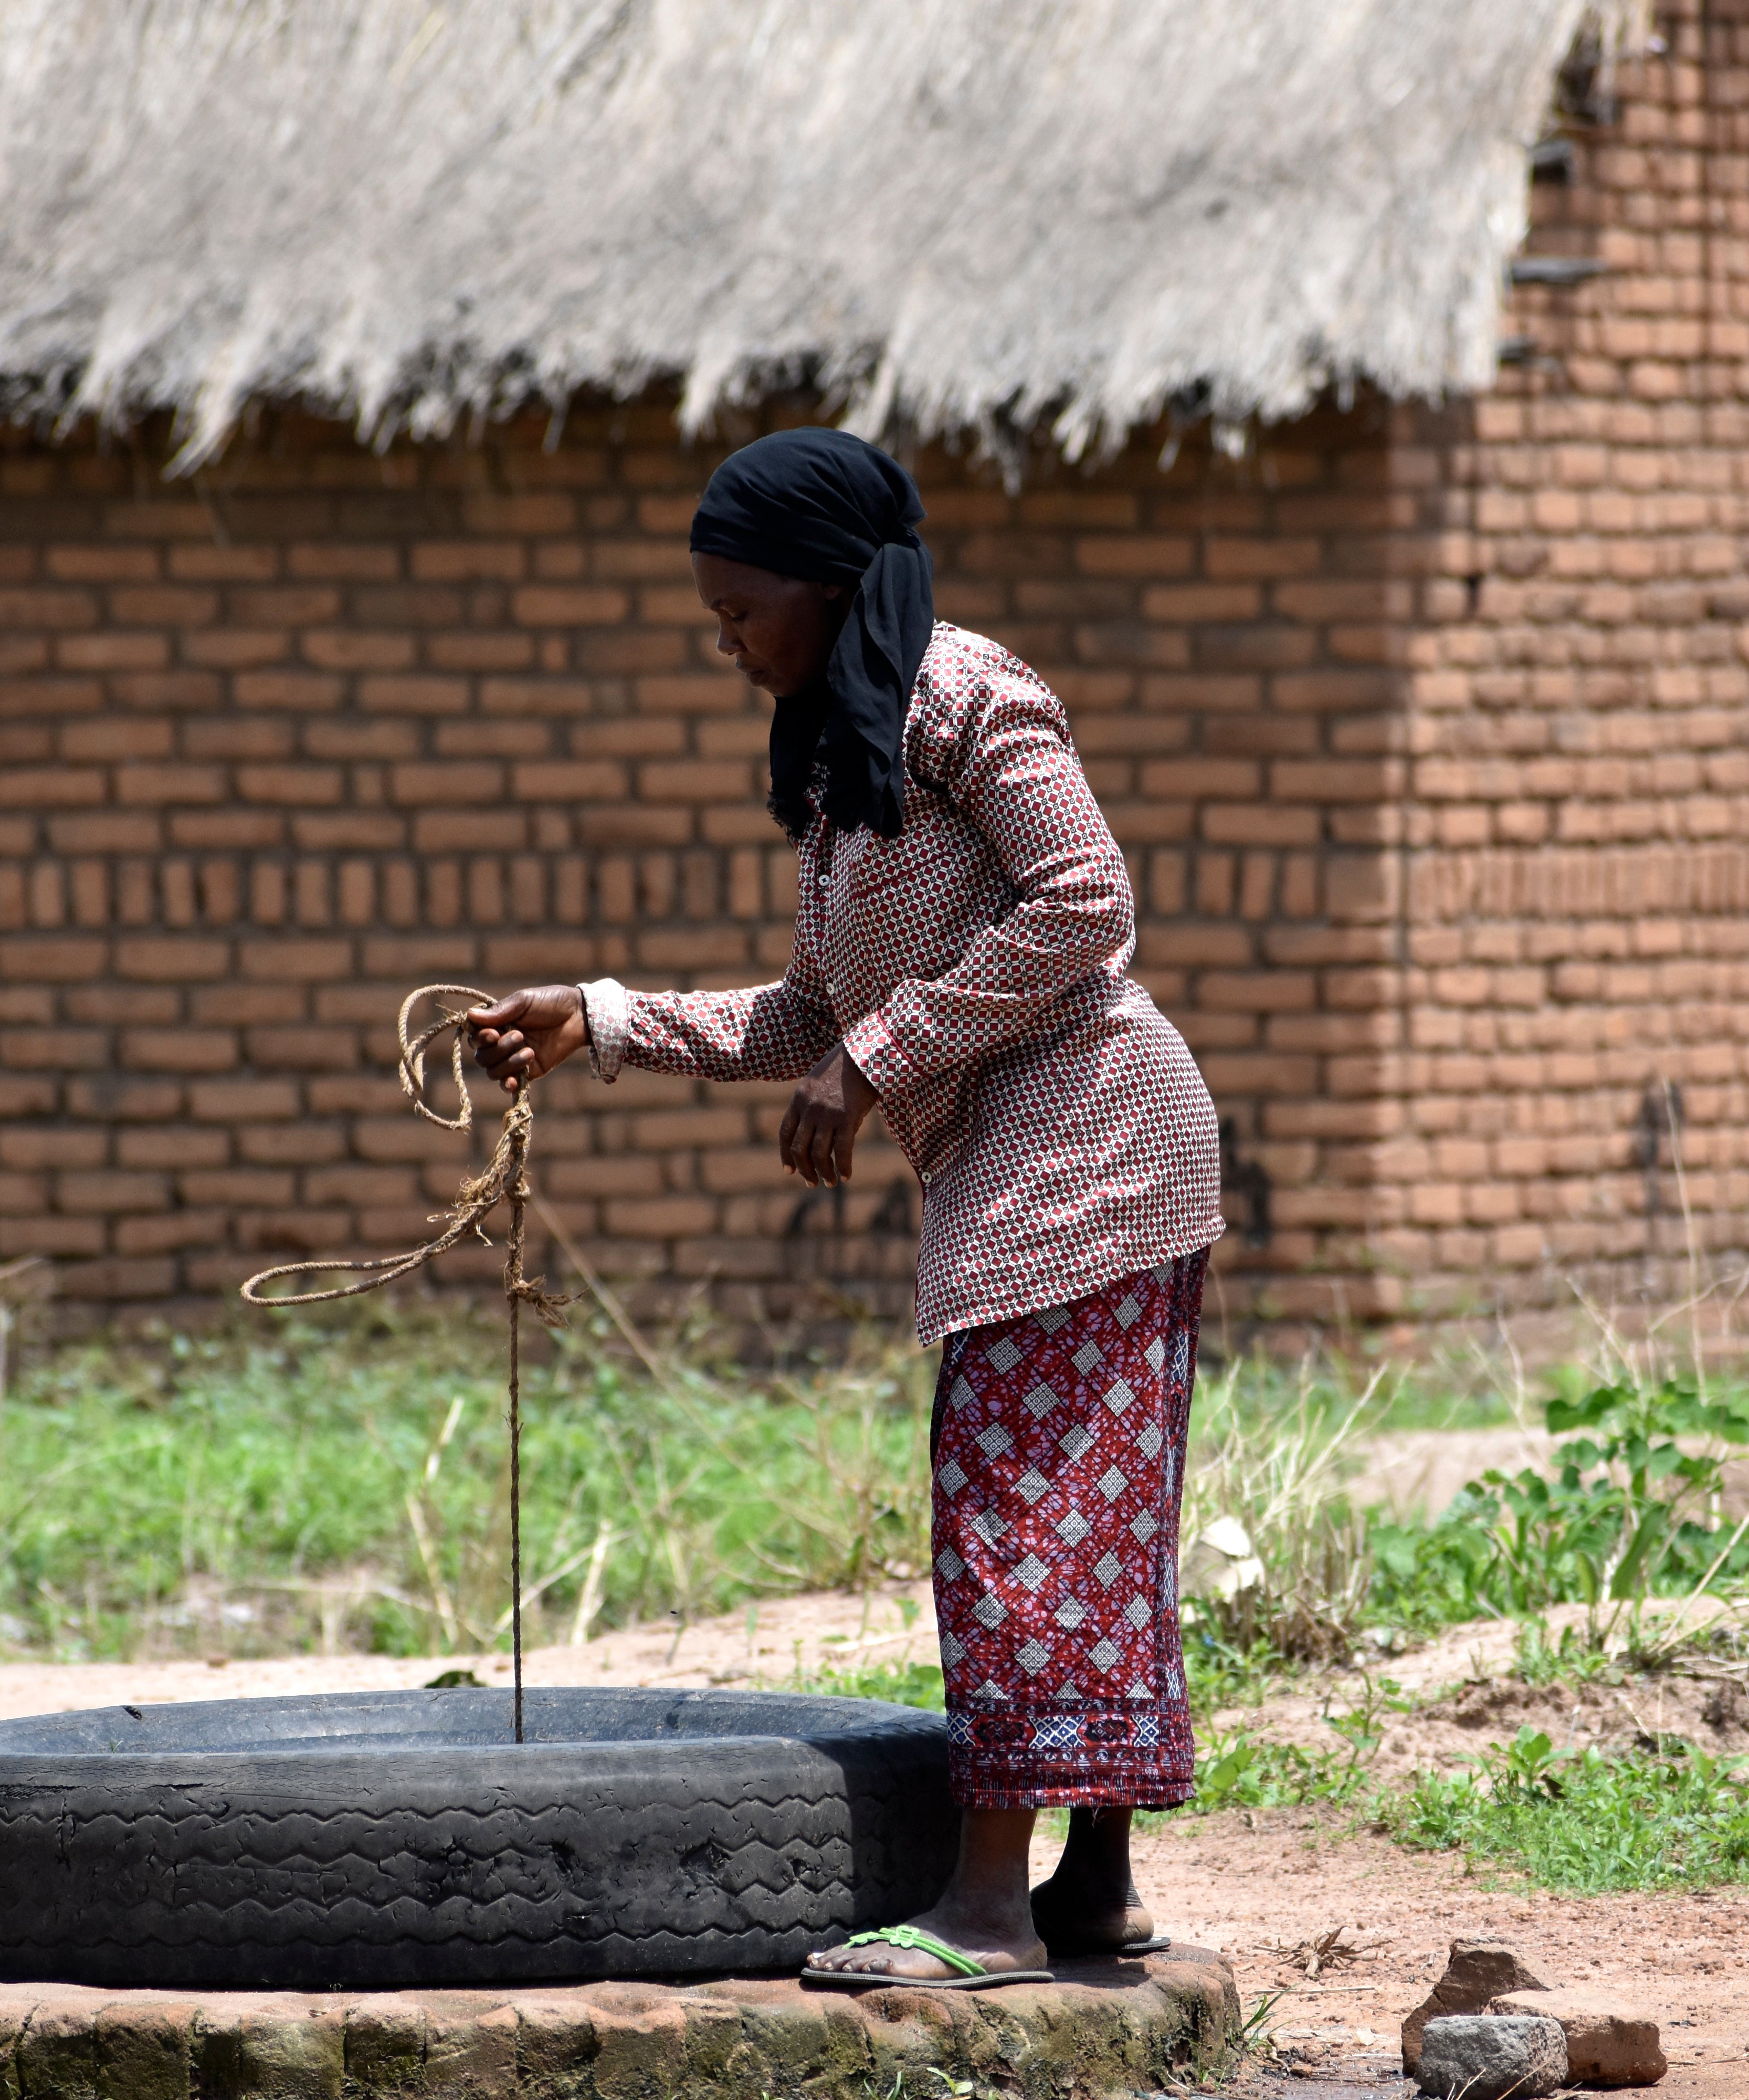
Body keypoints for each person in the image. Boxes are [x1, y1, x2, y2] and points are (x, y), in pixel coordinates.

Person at [466, 427, 1224, 1989]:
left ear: (827, 587)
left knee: (1025, 1523)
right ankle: (1093, 1892)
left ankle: (993, 1914)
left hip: (1096, 1146)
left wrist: (880, 1062)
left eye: (741, 613)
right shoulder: (847, 756)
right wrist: (595, 1018)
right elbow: (808, 1018)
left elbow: (1090, 904)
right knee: (1077, 1522)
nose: (725, 642)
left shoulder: (968, 694)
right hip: (1027, 1164)